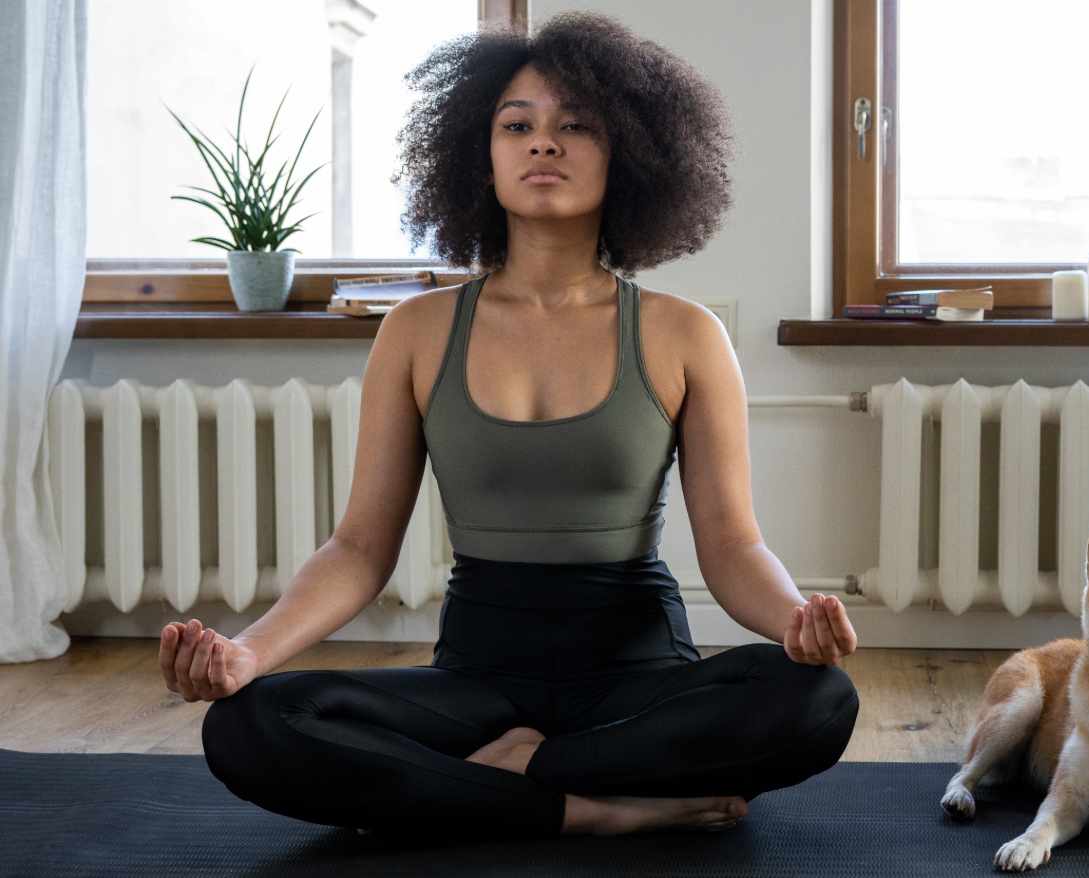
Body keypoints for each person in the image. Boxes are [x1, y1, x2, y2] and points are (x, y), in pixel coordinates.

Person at [156, 13, 860, 839]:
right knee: (252, 723)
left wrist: (793, 626)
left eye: (575, 126)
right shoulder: (415, 331)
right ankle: (585, 808)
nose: (543, 144)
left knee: (817, 699)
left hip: (636, 676)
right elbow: (357, 549)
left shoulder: (683, 333)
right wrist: (248, 654)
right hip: (477, 680)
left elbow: (734, 547)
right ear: (478, 157)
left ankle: (506, 780)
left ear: (627, 150)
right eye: (516, 125)